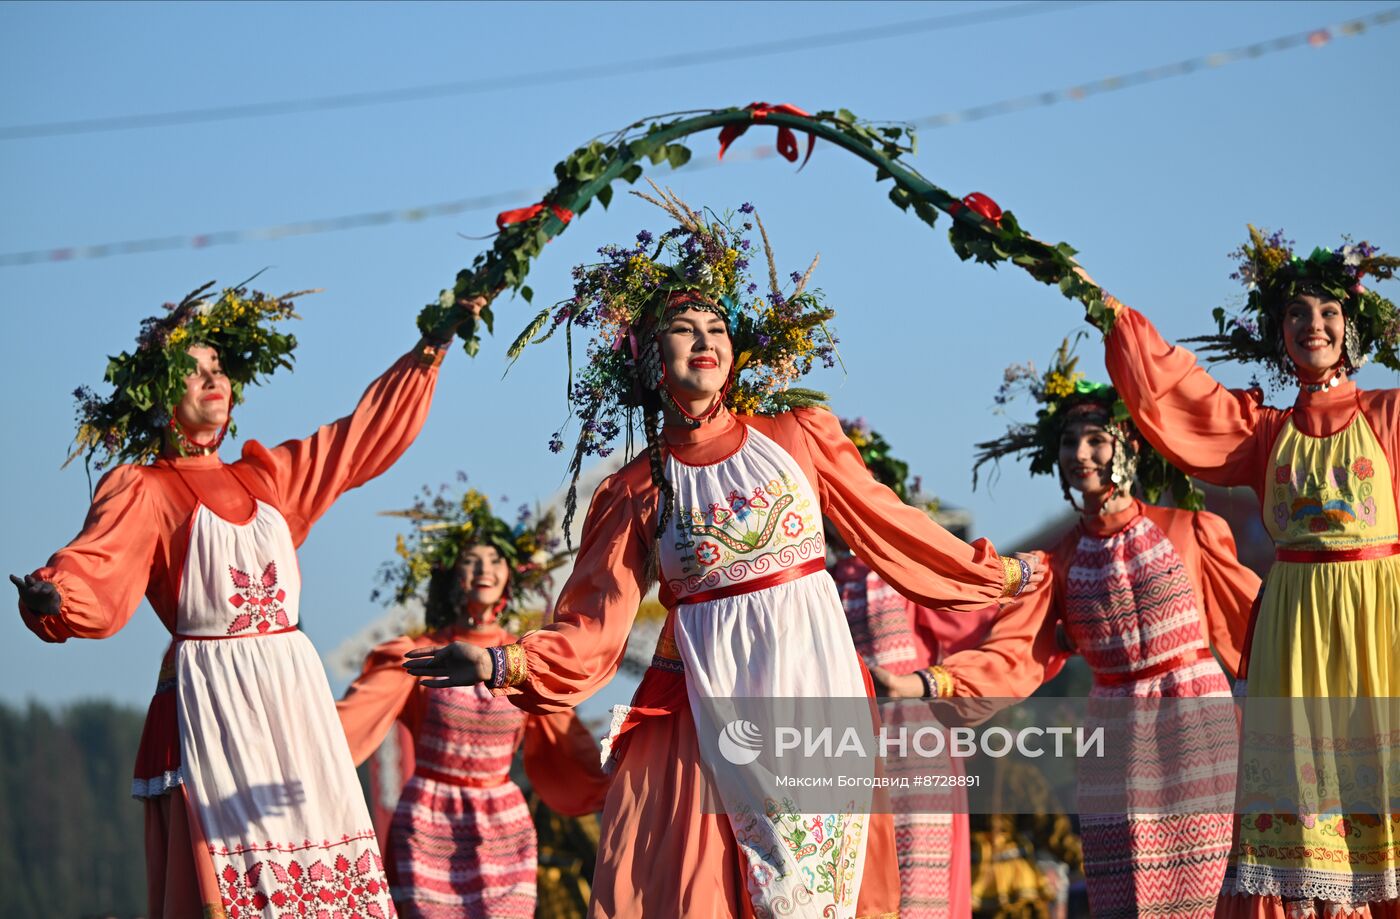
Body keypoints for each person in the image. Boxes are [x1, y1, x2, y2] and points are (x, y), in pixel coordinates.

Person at [403, 186, 1042, 919]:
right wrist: (499, 660)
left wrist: (995, 574)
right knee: (729, 885)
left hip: (813, 677)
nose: (704, 337)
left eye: (716, 325)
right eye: (682, 327)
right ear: (646, 357)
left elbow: (890, 524)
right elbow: (594, 624)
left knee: (818, 891)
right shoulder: (637, 487)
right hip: (709, 695)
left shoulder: (799, 434)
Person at [11, 280, 478, 918]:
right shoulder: (142, 488)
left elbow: (356, 439)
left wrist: (431, 345)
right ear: (155, 394)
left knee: (317, 872)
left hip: (291, 697)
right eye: (193, 371)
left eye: (219, 368)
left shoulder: (268, 477)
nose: (213, 380)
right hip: (210, 701)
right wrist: (52, 594)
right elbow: (97, 567)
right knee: (229, 882)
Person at [1079, 228, 1400, 917]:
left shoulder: (1389, 412)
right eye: (1297, 315)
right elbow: (1185, 394)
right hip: (1295, 628)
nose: (1312, 326)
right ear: (1278, 332)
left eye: (1328, 314)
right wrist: (1114, 316)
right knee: (1307, 816)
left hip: (1380, 622)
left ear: (1352, 329)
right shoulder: (1264, 432)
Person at [925, 337, 1260, 917]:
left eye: (1095, 439)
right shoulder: (1057, 561)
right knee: (1124, 891)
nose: (1080, 453)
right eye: (1069, 442)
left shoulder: (1192, 529)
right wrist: (933, 683)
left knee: (1207, 888)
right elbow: (1015, 650)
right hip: (1114, 728)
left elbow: (1255, 624)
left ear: (1128, 446)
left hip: (1195, 716)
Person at [337, 486, 610, 918]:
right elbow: (350, 722)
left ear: (511, 573)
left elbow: (567, 741)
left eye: (495, 560)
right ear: (452, 573)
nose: (484, 569)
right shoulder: (417, 653)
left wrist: (623, 779)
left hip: (503, 821)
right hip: (428, 821)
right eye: (471, 560)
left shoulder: (523, 661)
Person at [830, 416, 998, 919]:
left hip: (912, 740)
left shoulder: (905, 572)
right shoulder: (810, 580)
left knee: (918, 888)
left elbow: (975, 631)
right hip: (839, 746)